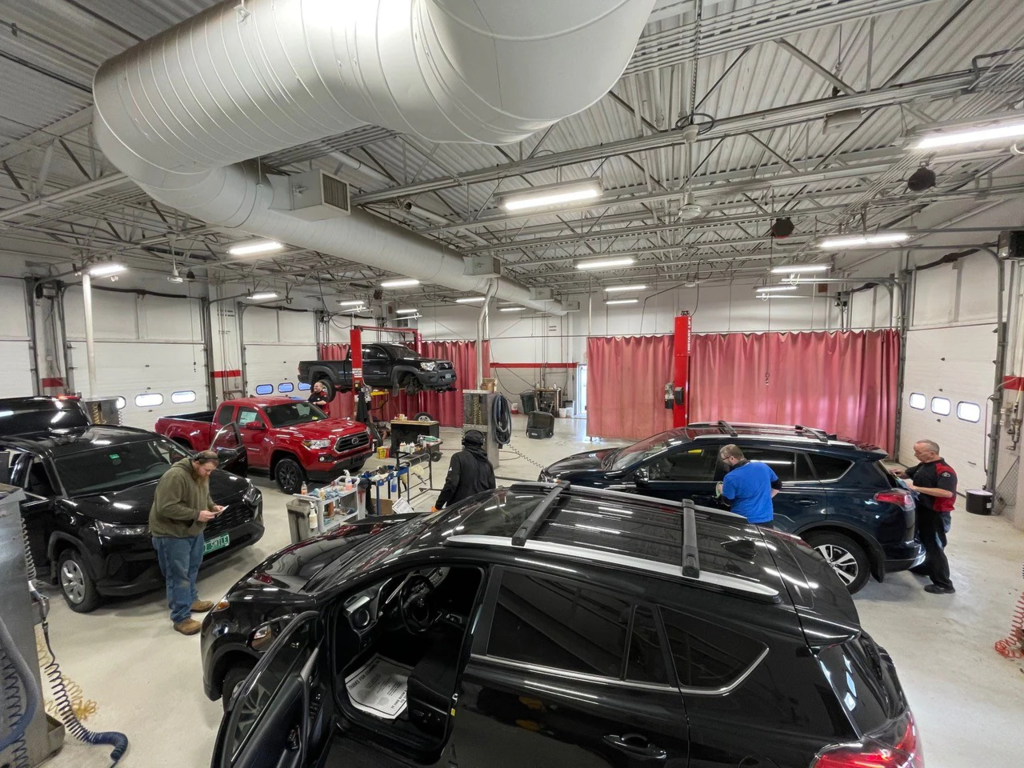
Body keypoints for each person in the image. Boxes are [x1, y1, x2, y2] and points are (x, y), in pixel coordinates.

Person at [149, 450, 225, 635]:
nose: (208, 474)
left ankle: (191, 600)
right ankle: (180, 617)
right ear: (196, 463)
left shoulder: (201, 475)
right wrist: (196, 514)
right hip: (172, 534)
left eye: (211, 471)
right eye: (206, 470)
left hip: (193, 531)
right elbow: (166, 507)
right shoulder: (175, 476)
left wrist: (212, 506)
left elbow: (204, 495)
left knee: (192, 568)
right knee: (178, 576)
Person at [894, 440, 957, 595]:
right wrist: (899, 473)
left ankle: (943, 584)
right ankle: (925, 567)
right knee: (923, 540)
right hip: (923, 510)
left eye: (919, 452)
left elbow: (946, 493)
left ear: (931, 453)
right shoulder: (923, 464)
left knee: (935, 547)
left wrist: (916, 488)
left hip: (936, 514)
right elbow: (909, 473)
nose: (915, 455)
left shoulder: (945, 471)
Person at [716, 444, 782, 527]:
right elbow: (778, 485)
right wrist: (765, 498)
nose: (723, 462)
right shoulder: (762, 466)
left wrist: (722, 491)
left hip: (743, 520)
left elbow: (728, 502)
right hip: (766, 519)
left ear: (732, 458)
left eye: (723, 459)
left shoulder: (731, 477)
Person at [432, 430, 496, 511]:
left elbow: (451, 484)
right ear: (482, 444)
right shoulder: (488, 464)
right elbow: (492, 491)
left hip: (458, 509)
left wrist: (438, 506)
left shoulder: (458, 458)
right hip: (479, 509)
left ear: (463, 442)